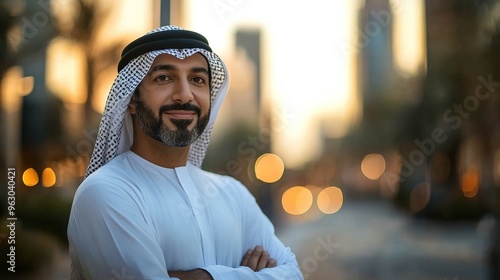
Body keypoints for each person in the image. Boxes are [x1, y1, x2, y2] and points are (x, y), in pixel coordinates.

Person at [67, 25, 303, 280]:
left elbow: (294, 274)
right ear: (132, 100)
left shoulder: (234, 194)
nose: (184, 94)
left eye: (197, 80)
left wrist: (203, 277)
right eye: (164, 78)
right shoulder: (106, 192)